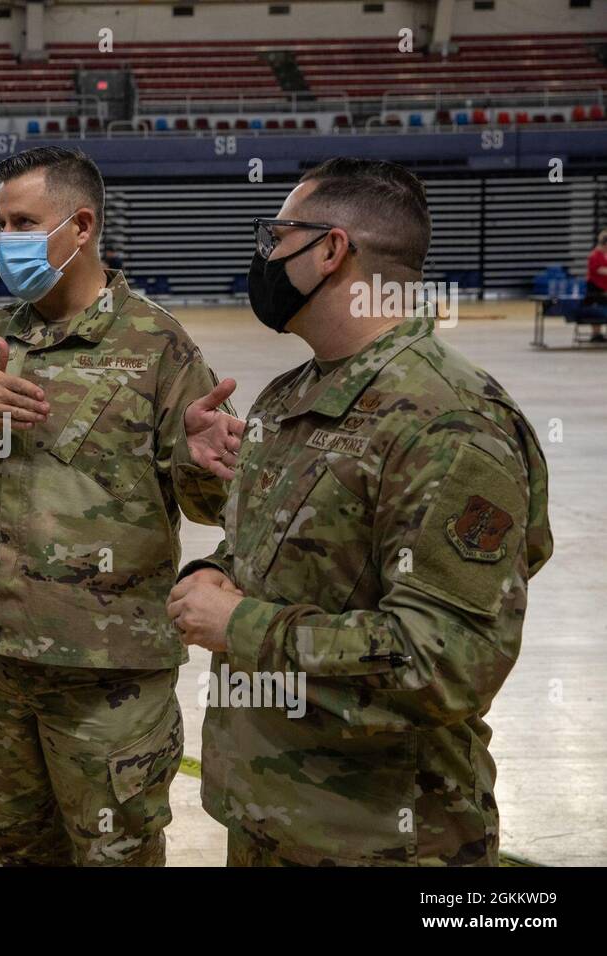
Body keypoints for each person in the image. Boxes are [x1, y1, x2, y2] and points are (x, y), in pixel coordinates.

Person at [167, 157, 553, 867]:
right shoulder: (290, 397)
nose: (265, 257)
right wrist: (213, 575)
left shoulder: (450, 421)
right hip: (270, 815)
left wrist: (239, 624)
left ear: (330, 250)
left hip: (386, 838)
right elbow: (270, 553)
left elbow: (449, 663)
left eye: (276, 237)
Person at [0, 146, 243, 866]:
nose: (5, 239)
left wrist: (205, 462)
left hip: (110, 677)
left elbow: (216, 504)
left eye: (22, 222)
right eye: (0, 222)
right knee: (10, 851)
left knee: (115, 855)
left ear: (81, 226)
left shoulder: (158, 345)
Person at [584, 228, 607, 342]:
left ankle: (598, 333)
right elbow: (598, 270)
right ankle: (596, 333)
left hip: (603, 287)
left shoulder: (604, 255)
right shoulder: (594, 255)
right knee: (596, 309)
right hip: (594, 288)